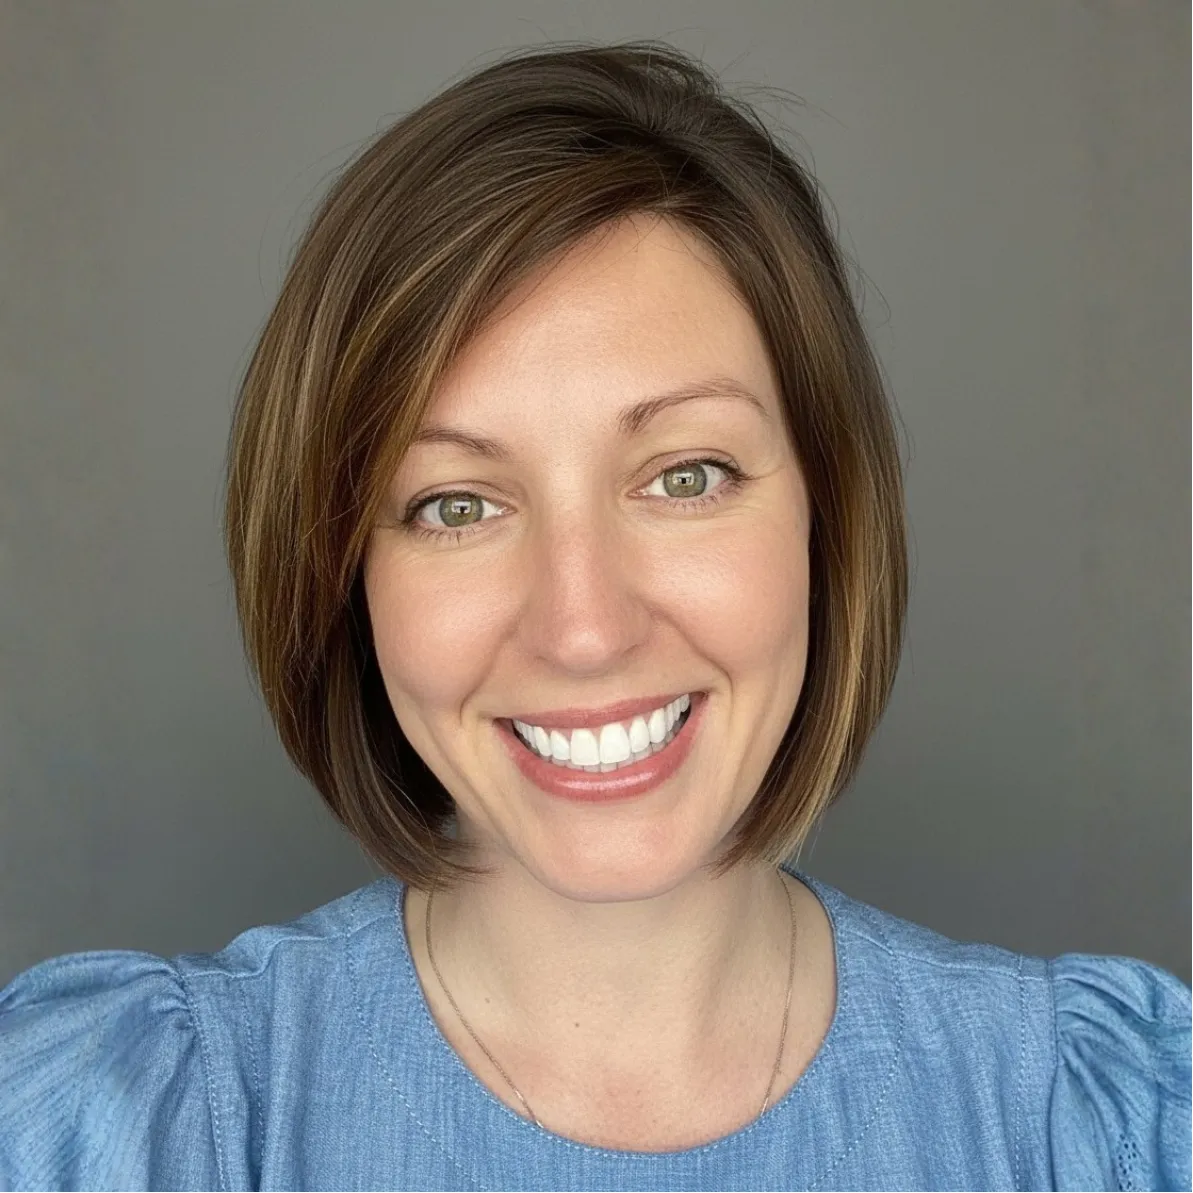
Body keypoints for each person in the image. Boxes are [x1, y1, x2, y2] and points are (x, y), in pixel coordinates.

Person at [1, 39, 1188, 1193]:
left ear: (825, 515)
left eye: (685, 476)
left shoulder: (1109, 1127)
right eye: (456, 502)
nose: (582, 626)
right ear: (339, 576)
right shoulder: (113, 1132)